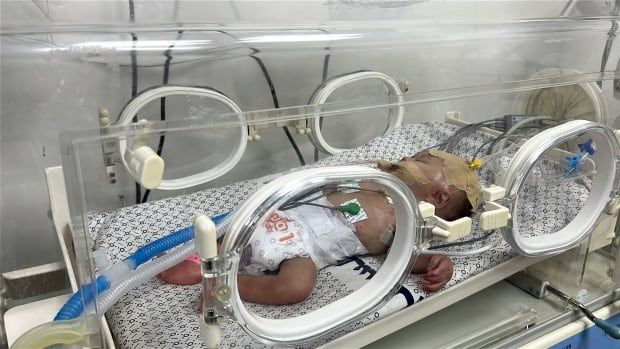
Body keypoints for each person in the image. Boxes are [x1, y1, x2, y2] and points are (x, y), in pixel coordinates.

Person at [159, 150, 482, 305]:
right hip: (279, 219)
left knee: (297, 287)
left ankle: (225, 287)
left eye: (422, 160)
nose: (411, 157)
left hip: (303, 254)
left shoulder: (401, 221)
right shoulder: (370, 179)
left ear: (438, 195)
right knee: (217, 237)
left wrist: (439, 262)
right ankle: (196, 260)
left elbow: (405, 256)